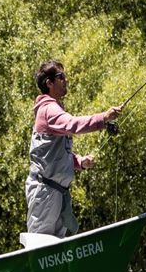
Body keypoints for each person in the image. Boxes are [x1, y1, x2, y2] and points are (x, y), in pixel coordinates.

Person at [26, 60, 121, 237]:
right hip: (45, 192)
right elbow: (72, 124)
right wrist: (104, 118)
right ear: (49, 83)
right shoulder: (49, 109)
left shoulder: (54, 109)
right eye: (61, 77)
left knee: (55, 251)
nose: (66, 80)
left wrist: (79, 162)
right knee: (40, 248)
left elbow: (55, 153)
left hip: (56, 192)